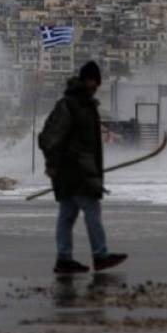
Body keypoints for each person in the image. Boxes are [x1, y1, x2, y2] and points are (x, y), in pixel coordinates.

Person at [38, 60, 127, 274]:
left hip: (78, 170)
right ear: (84, 80)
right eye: (92, 81)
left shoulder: (86, 105)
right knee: (91, 211)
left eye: (97, 81)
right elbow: (50, 137)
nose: (95, 85)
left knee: (67, 215)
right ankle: (100, 255)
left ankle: (64, 259)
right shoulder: (70, 105)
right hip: (75, 171)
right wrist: (51, 163)